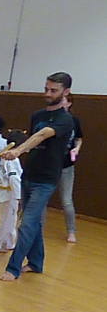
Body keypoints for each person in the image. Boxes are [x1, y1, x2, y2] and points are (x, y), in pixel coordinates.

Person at [0, 72, 75, 281]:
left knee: (27, 223)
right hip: (29, 175)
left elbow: (42, 135)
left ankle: (13, 268)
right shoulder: (37, 116)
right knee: (35, 223)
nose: (48, 94)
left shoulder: (66, 120)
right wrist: (16, 148)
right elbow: (34, 140)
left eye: (54, 90)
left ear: (66, 92)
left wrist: (18, 150)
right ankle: (36, 262)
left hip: (46, 180)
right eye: (46, 89)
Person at [0, 130, 27, 252]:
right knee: (6, 221)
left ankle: (10, 243)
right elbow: (14, 178)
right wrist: (18, 196)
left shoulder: (5, 157)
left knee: (10, 220)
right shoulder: (12, 160)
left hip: (5, 192)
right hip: (9, 194)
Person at [58, 96, 83, 243]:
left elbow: (79, 138)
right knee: (40, 197)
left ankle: (71, 231)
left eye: (64, 100)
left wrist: (77, 148)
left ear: (69, 103)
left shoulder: (74, 121)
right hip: (50, 165)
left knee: (67, 201)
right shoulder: (52, 119)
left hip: (66, 166)